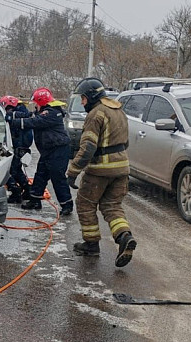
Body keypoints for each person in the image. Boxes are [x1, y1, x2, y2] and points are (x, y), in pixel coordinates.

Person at [67, 77, 137, 267]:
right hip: (122, 169)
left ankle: (91, 245)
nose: (82, 103)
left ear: (91, 96)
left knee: (85, 204)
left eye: (83, 98)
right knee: (112, 206)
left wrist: (73, 171)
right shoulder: (119, 111)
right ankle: (124, 237)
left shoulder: (96, 114)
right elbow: (125, 142)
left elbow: (88, 147)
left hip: (99, 171)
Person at [8, 87, 73, 215]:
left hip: (58, 150)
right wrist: (13, 115)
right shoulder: (45, 111)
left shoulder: (52, 113)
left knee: (57, 177)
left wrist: (14, 123)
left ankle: (67, 204)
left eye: (36, 103)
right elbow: (29, 115)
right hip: (49, 150)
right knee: (41, 175)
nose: (35, 106)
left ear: (42, 102)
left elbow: (34, 121)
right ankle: (35, 200)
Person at [0, 95, 33, 204]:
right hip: (19, 146)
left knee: (9, 170)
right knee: (17, 170)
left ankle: (15, 191)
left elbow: (25, 117)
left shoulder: (20, 113)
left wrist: (10, 115)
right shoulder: (19, 112)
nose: (7, 111)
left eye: (7, 108)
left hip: (19, 146)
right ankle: (27, 189)